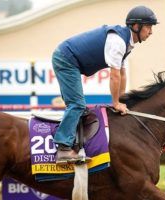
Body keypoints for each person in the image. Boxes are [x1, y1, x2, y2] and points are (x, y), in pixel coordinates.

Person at [52, 5, 159, 165]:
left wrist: (122, 101)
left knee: (79, 107)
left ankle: (75, 143)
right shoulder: (118, 42)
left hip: (70, 59)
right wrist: (115, 103)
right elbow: (114, 76)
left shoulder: (126, 43)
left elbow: (123, 74)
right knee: (77, 105)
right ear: (136, 26)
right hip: (66, 59)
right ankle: (63, 150)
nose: (151, 32)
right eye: (148, 27)